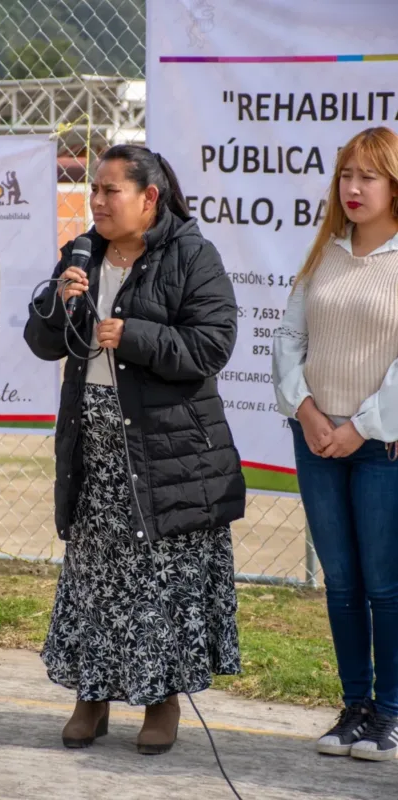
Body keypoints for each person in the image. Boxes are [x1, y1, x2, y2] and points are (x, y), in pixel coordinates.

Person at [24, 144, 245, 755]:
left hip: (163, 450)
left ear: (149, 198)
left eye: (110, 191)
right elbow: (45, 342)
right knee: (95, 577)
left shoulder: (191, 254)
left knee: (159, 581)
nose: (96, 201)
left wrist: (137, 337)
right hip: (92, 442)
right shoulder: (82, 254)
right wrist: (57, 302)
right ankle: (90, 695)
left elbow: (212, 344)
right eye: (93, 190)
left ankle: (162, 700)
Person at [273, 126, 398, 762]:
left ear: (394, 184)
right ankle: (354, 708)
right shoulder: (326, 251)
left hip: (381, 446)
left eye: (367, 176)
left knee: (385, 584)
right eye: (345, 175)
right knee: (342, 584)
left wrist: (360, 427)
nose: (352, 187)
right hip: (316, 438)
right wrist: (307, 410)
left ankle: (392, 714)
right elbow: (288, 339)